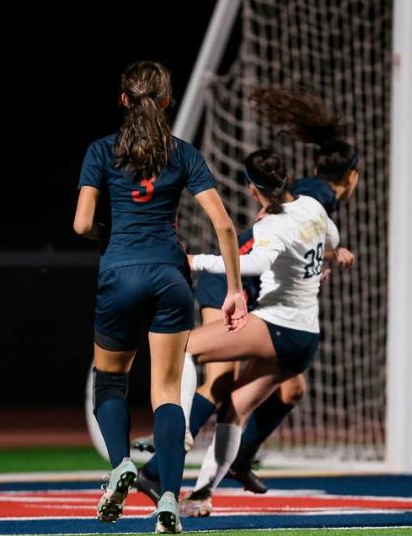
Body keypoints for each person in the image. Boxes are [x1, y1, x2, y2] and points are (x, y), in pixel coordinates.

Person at [135, 88, 359, 501]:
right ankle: (173, 462)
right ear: (353, 178)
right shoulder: (319, 201)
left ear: (255, 190)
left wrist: (196, 260)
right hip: (249, 296)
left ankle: (197, 448)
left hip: (263, 299)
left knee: (279, 387)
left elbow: (275, 252)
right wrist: (327, 251)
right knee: (223, 384)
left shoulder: (289, 213)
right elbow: (306, 237)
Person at [74, 60, 247, 534]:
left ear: (123, 99)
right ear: (167, 101)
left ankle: (119, 467)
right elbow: (225, 225)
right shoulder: (183, 154)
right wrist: (234, 290)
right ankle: (169, 498)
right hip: (171, 276)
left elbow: (83, 224)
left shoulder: (101, 151)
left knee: (111, 382)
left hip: (120, 273)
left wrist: (115, 236)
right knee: (167, 393)